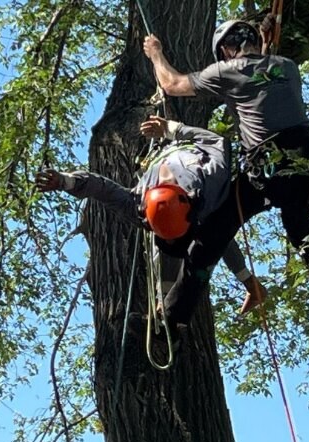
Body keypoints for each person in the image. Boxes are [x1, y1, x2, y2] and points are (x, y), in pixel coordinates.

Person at [141, 16, 309, 330]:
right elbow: (264, 78)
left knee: (211, 237)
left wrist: (155, 52)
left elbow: (171, 85)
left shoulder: (227, 71)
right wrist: (264, 45)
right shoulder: (287, 68)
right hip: (307, 165)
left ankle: (171, 321)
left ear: (225, 48)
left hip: (266, 168)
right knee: (302, 232)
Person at [36, 115, 267, 323]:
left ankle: (166, 305)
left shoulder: (204, 185)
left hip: (188, 155)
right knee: (208, 229)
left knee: (214, 228)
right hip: (175, 159)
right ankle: (166, 304)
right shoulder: (147, 205)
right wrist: (65, 181)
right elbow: (101, 188)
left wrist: (173, 129)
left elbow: (101, 189)